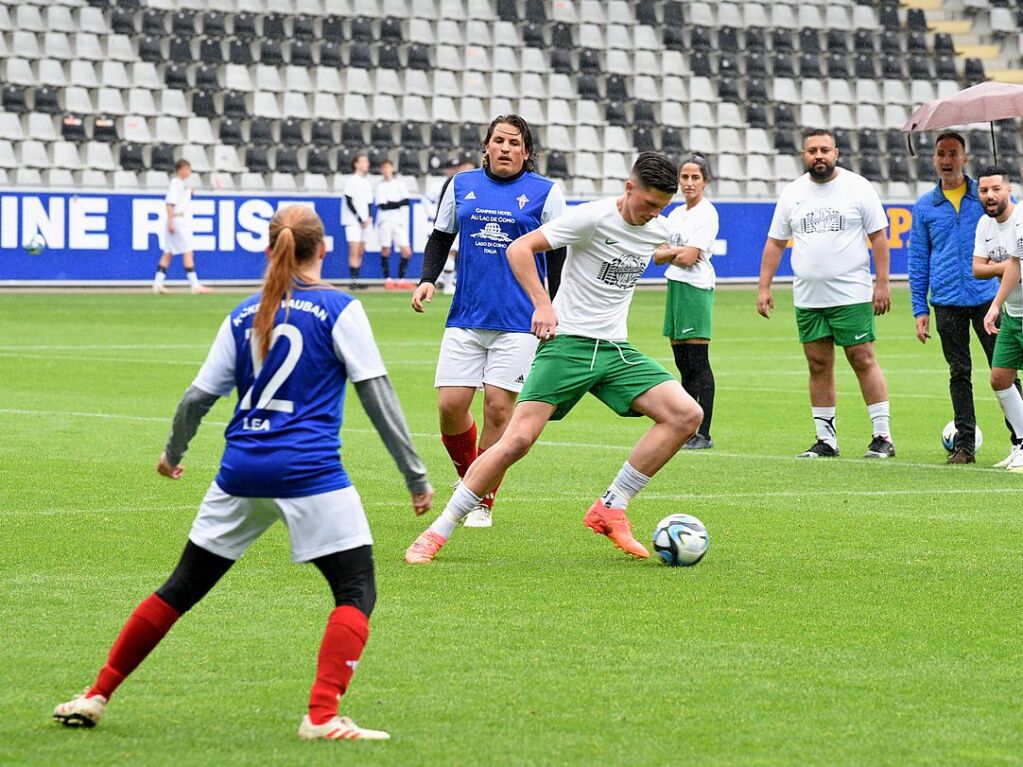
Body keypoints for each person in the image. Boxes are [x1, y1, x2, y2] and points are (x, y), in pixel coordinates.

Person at [54, 206, 434, 741]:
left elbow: (197, 398)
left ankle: (96, 693)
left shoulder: (242, 314)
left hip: (240, 471)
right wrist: (415, 476)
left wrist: (173, 453)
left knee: (180, 587)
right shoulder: (339, 308)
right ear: (322, 250)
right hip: (310, 473)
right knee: (355, 589)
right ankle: (322, 715)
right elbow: (377, 394)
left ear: (269, 250)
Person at [405, 152, 703, 564]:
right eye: (648, 204)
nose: (654, 214)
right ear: (629, 187)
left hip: (615, 349)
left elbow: (650, 249)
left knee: (686, 415)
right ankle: (439, 530)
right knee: (518, 441)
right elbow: (519, 249)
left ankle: (611, 507)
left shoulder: (659, 227)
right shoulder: (591, 218)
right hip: (568, 344)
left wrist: (673, 252)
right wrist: (543, 304)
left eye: (661, 207)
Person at [410, 115, 565, 529]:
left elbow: (558, 254)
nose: (506, 148)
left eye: (515, 143)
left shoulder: (546, 193)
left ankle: (481, 499)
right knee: (450, 406)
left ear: (526, 152)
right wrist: (428, 279)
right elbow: (441, 236)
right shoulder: (461, 185)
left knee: (498, 408)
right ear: (486, 146)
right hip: (466, 315)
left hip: (519, 321)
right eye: (499, 140)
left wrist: (551, 304)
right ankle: (471, 481)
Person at [757, 128, 895, 459]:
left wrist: (882, 283)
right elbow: (776, 243)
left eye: (825, 150)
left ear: (836, 153)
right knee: (818, 364)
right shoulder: (793, 194)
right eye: (812, 151)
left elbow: (878, 237)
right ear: (803, 156)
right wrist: (764, 287)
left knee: (862, 358)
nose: (819, 155)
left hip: (851, 293)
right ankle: (826, 439)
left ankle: (882, 436)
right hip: (808, 296)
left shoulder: (857, 187)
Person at [909, 132, 1021, 465]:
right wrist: (920, 307)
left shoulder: (984, 199)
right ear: (933, 159)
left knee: (1005, 371)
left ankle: (1019, 440)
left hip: (987, 298)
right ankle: (965, 445)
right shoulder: (925, 206)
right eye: (941, 153)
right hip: (945, 300)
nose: (947, 160)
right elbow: (918, 258)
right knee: (959, 373)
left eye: (953, 153)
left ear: (965, 158)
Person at [654, 153, 719, 449]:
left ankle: (703, 432)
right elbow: (656, 255)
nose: (689, 183)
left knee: (698, 362)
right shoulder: (676, 215)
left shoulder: (707, 213)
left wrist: (672, 252)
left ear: (705, 181)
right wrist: (674, 252)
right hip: (676, 286)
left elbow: (690, 258)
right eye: (684, 177)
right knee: (682, 362)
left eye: (695, 177)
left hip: (695, 288)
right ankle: (687, 426)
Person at [974, 165, 1023, 471]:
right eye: (983, 191)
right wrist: (1000, 268)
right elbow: (978, 268)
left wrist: (994, 305)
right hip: (1014, 314)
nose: (989, 196)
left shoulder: (1021, 220)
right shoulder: (985, 225)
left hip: (1011, 310)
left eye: (995, 189)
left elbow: (1016, 269)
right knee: (999, 377)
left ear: (1009, 190)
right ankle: (1020, 443)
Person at [152, 159, 212, 295]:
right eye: (188, 169)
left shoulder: (180, 185)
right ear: (181, 169)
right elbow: (170, 203)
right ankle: (194, 284)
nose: (189, 172)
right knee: (188, 250)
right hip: (176, 219)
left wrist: (188, 192)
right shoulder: (175, 183)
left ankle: (157, 283)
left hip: (176, 219)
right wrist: (171, 221)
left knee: (168, 252)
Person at [374, 159, 413, 290]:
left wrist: (391, 203)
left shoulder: (399, 184)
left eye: (388, 168)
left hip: (398, 221)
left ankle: (401, 279)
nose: (386, 171)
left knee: (406, 251)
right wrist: (397, 203)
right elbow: (382, 205)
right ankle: (388, 279)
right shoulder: (380, 186)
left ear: (392, 169)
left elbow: (406, 201)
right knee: (386, 250)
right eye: (383, 168)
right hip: (385, 221)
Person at [341, 154, 372, 289]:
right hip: (353, 221)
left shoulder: (367, 182)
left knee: (360, 250)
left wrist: (368, 217)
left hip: (365, 221)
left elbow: (369, 202)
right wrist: (359, 218)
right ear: (356, 164)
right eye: (364, 161)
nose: (367, 164)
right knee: (354, 250)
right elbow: (349, 200)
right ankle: (353, 280)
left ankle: (357, 278)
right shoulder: (351, 181)